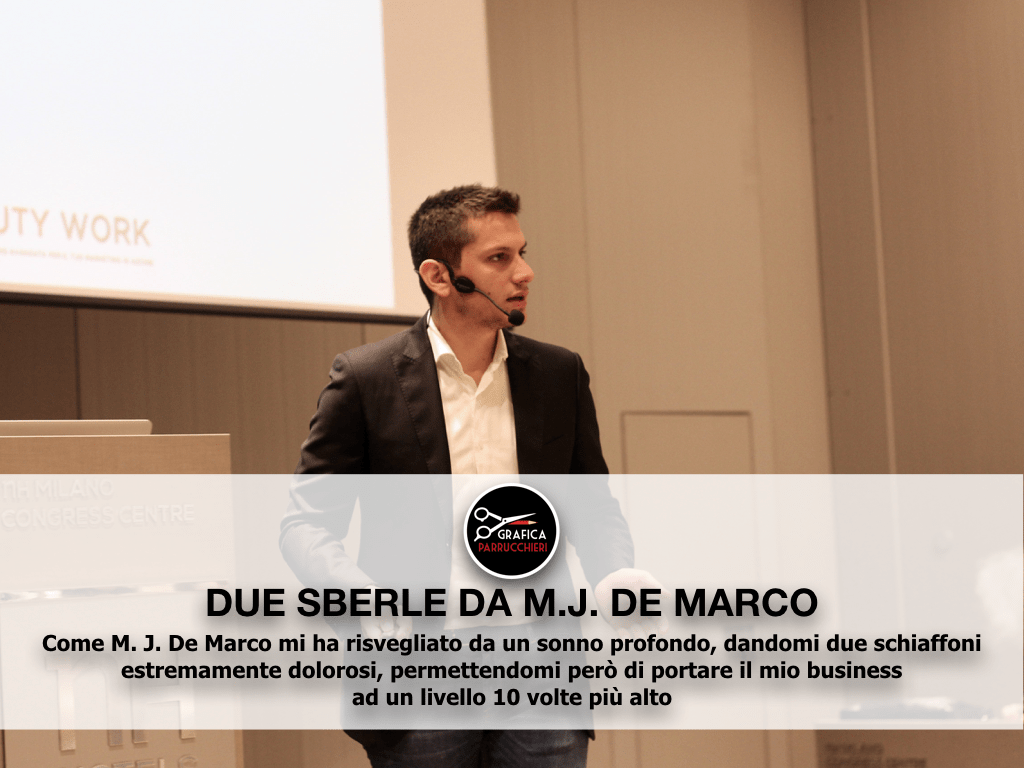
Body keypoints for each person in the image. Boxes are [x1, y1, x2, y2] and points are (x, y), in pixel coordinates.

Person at [281, 184, 650, 767]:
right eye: (499, 258)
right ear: (439, 275)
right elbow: (304, 525)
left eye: (522, 253)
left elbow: (592, 506)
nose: (524, 272)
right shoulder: (367, 379)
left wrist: (616, 574)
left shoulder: (558, 374)